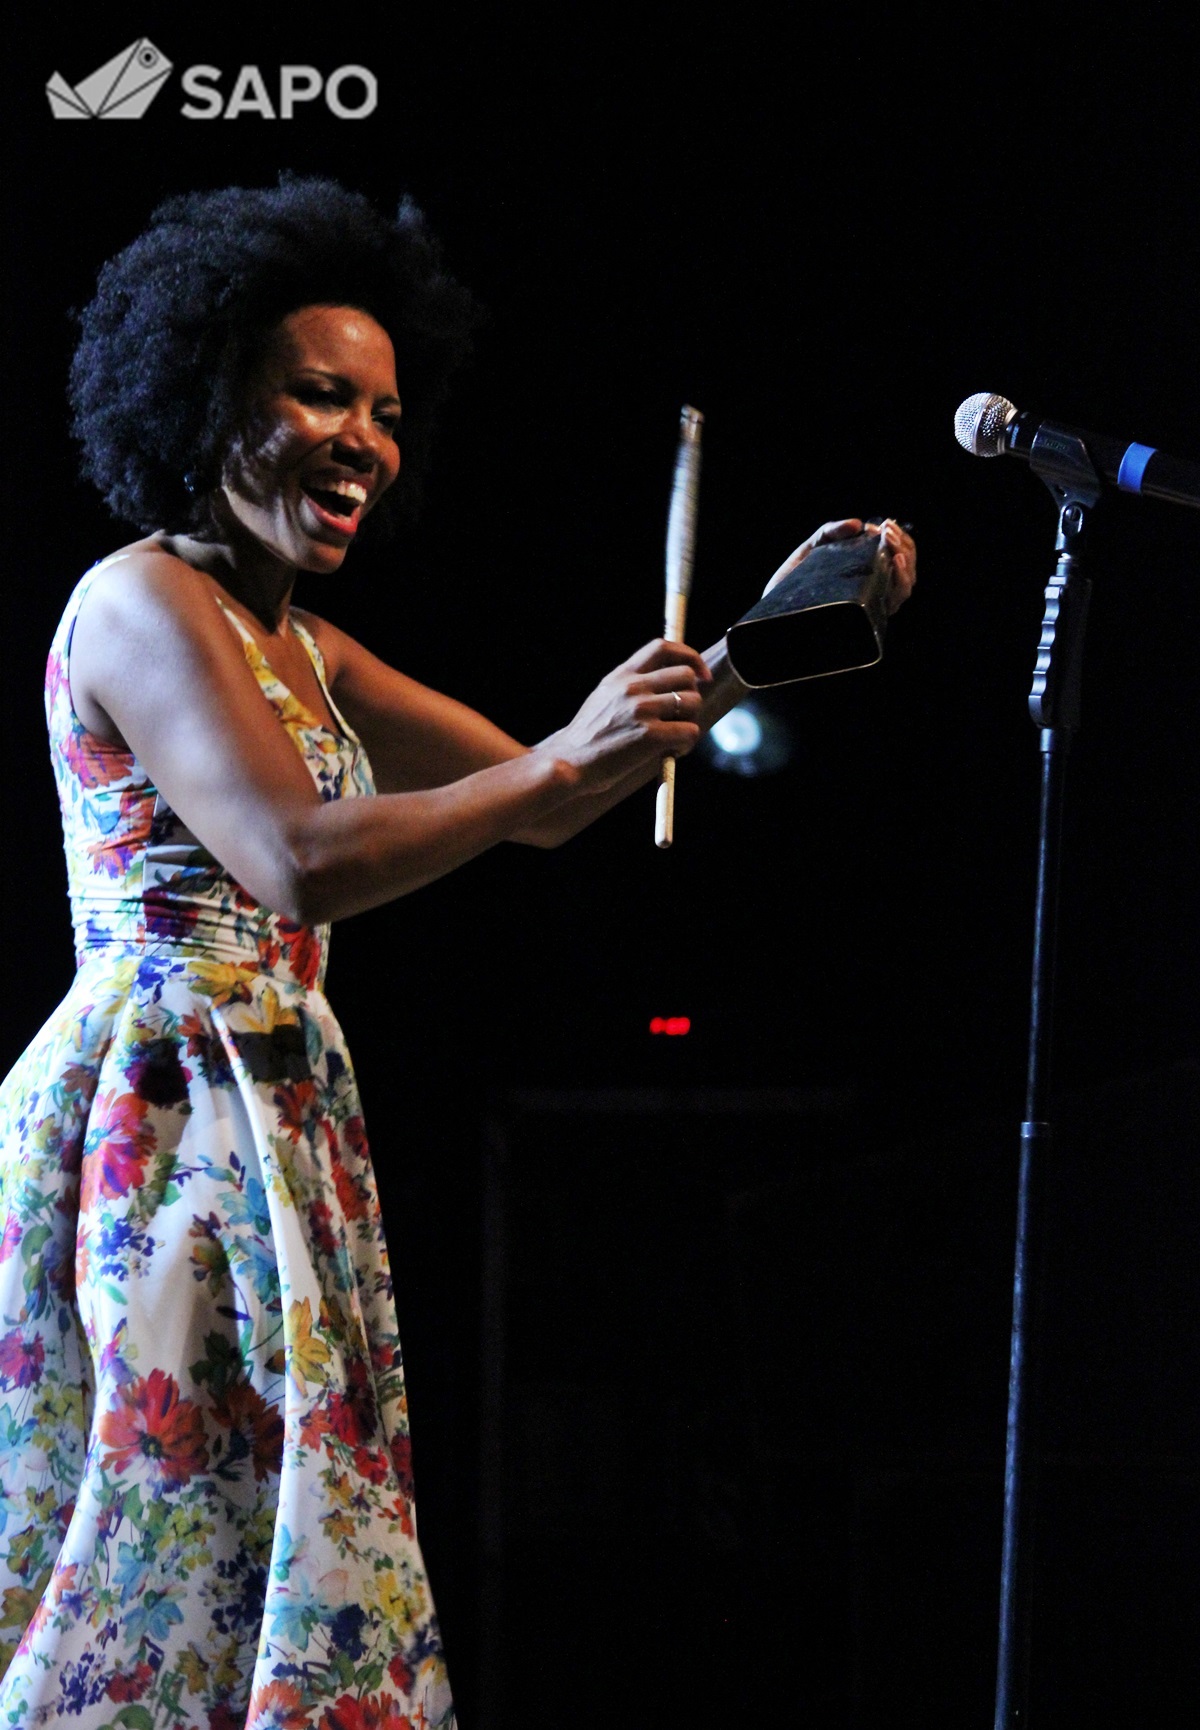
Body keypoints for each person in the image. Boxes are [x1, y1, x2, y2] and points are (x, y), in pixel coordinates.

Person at [0, 176, 915, 1729]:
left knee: (265, 1533)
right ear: (208, 397)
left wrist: (763, 639)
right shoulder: (144, 596)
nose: (365, 439)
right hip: (165, 1111)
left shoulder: (306, 644)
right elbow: (299, 854)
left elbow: (554, 795)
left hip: (277, 1108)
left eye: (385, 410)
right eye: (319, 394)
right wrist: (557, 769)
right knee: (165, 1542)